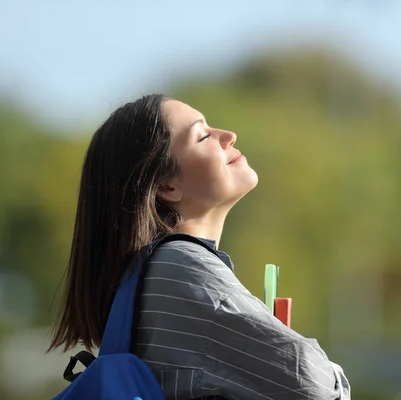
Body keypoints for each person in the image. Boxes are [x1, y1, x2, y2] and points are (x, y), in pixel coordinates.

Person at [48, 94, 351, 400]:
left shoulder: (151, 273)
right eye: (203, 135)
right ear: (167, 186)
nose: (228, 136)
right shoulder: (180, 266)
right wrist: (332, 372)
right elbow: (314, 385)